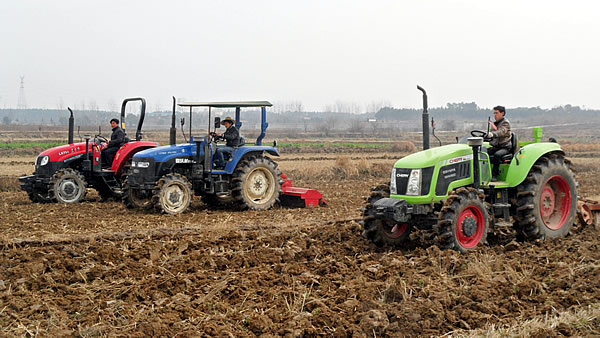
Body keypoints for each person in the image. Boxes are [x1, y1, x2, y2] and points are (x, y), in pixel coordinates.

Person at [486, 106, 512, 179]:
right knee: (483, 152)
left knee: (497, 155)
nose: (495, 115)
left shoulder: (505, 123)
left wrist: (492, 134)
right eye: (494, 113)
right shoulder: (495, 124)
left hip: (505, 147)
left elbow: (501, 132)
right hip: (496, 146)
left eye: (496, 113)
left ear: (502, 113)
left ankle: (495, 174)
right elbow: (491, 135)